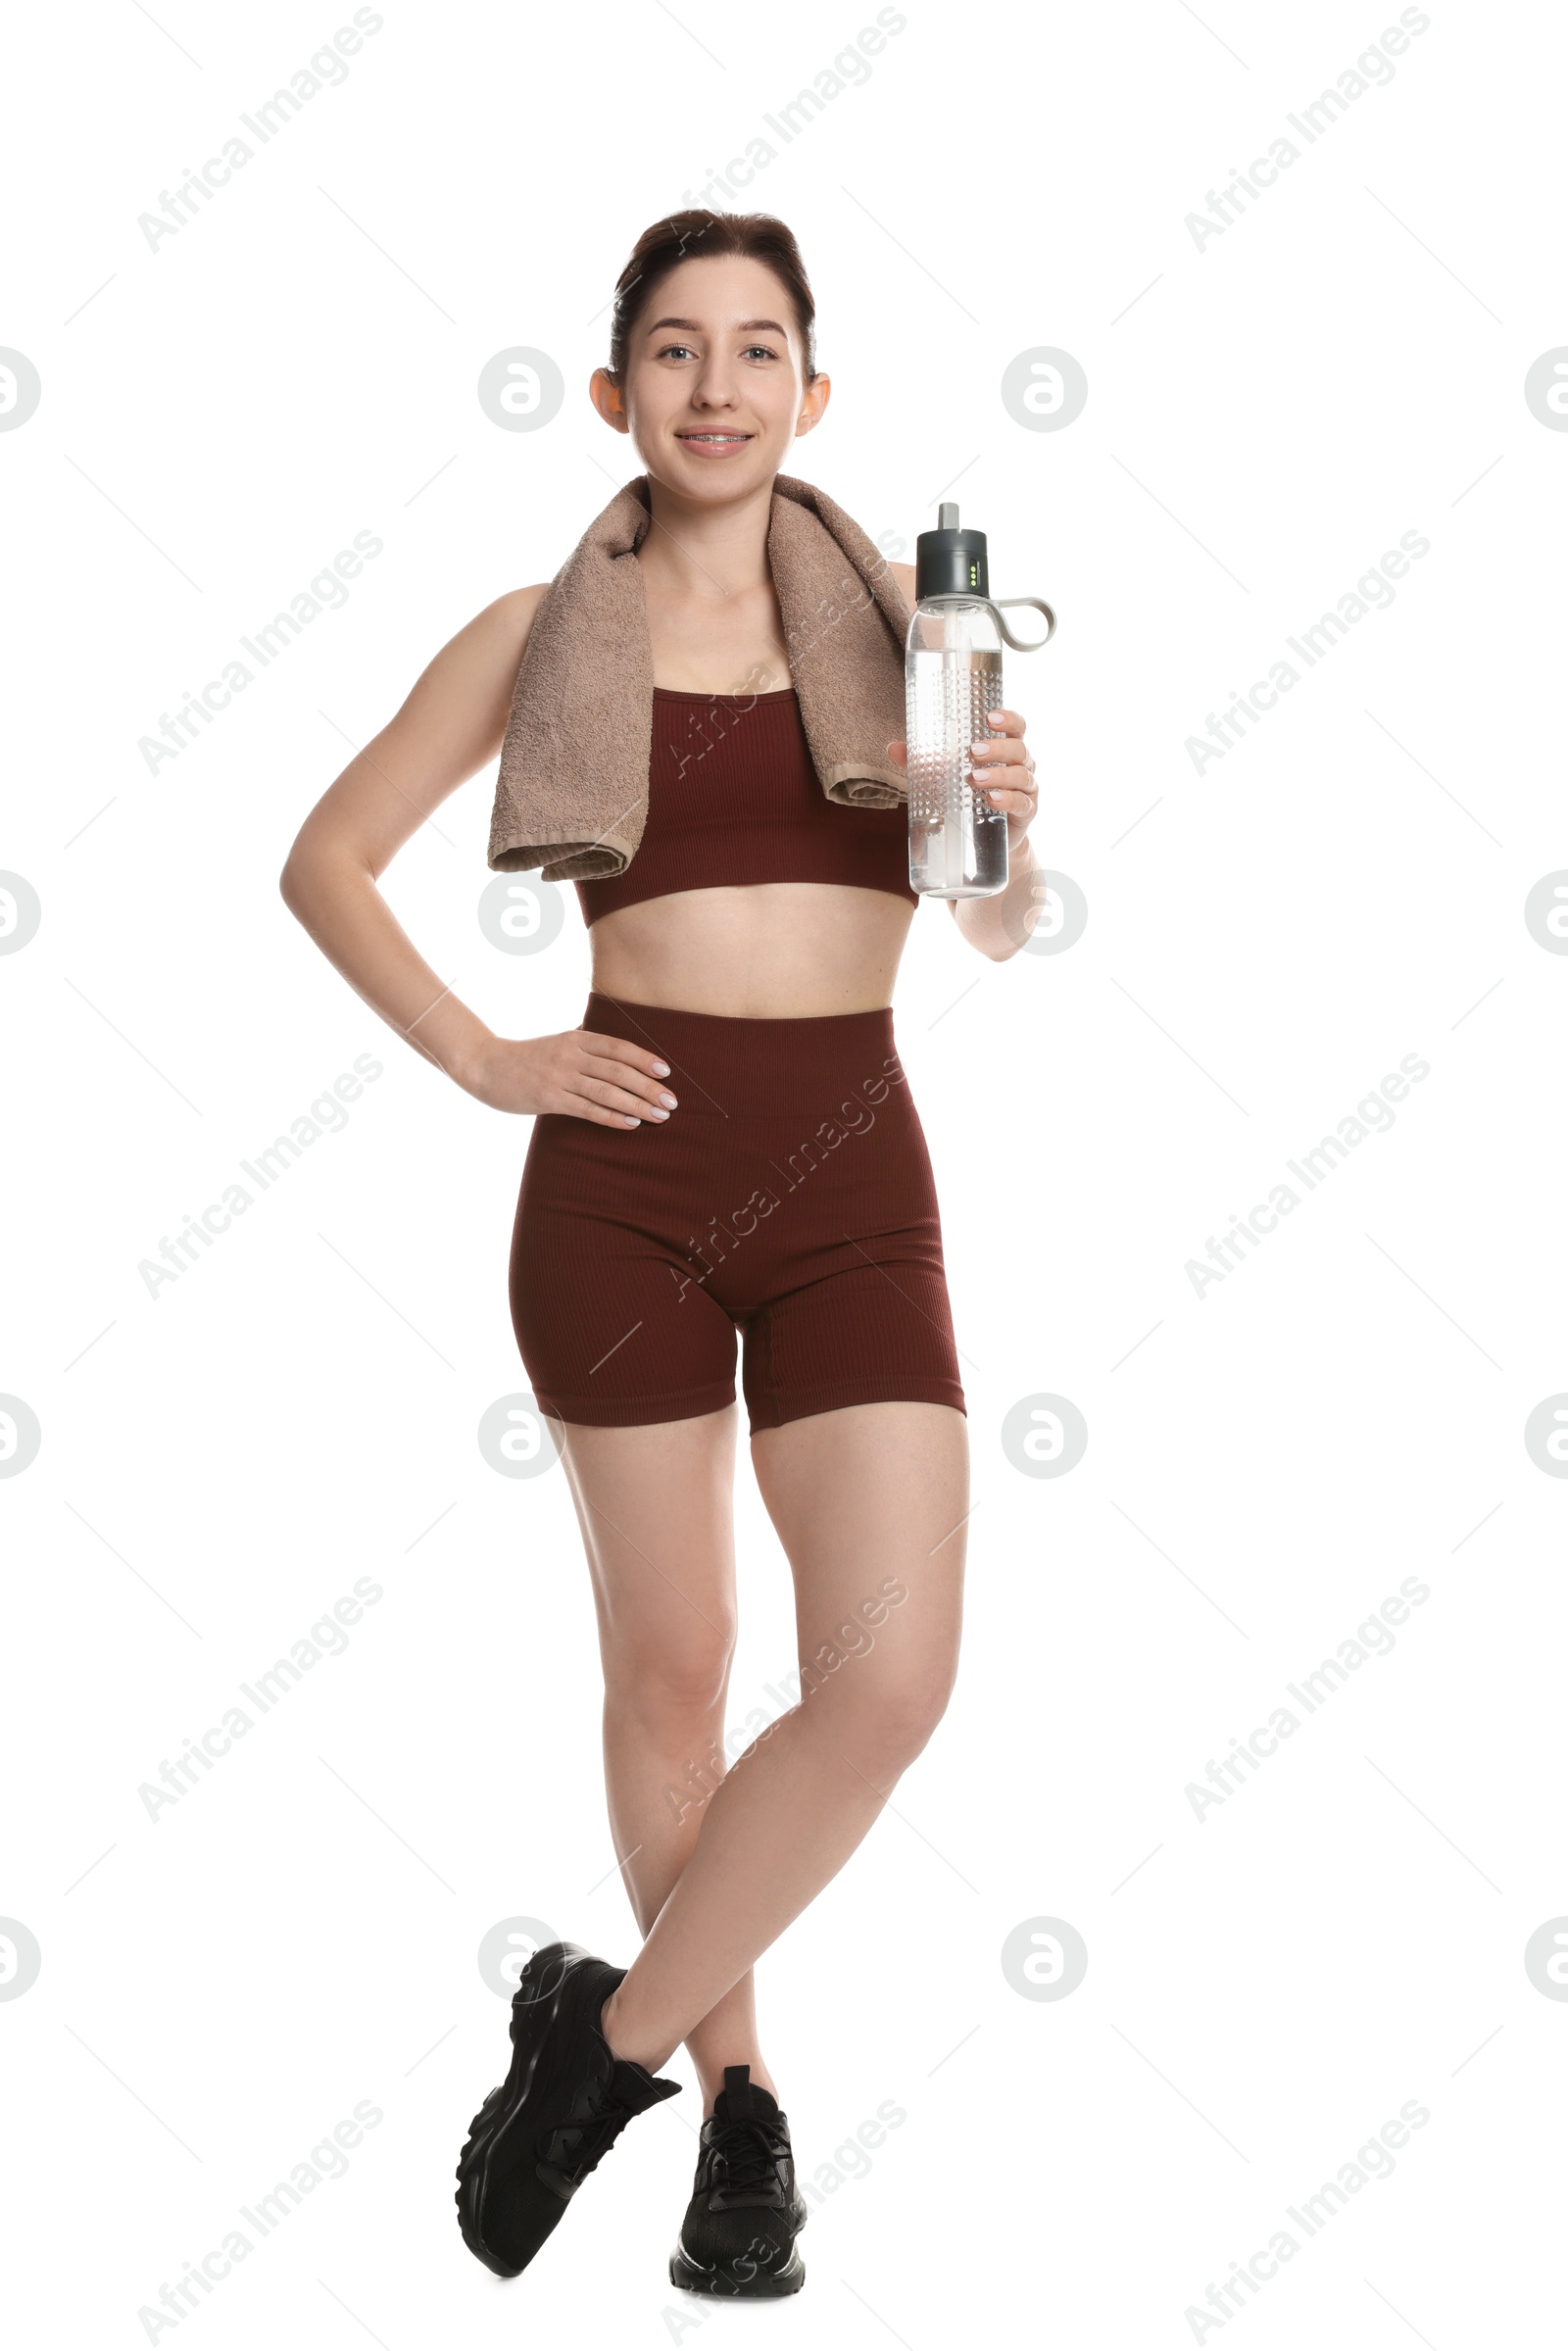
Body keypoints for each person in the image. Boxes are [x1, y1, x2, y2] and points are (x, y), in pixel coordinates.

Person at [279, 208, 1041, 2299]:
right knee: (678, 1670)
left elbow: (992, 923)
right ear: (617, 395)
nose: (720, 387)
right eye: (677, 353)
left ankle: (589, 2047)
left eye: (760, 349)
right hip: (618, 1183)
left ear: (814, 392)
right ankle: (734, 2116)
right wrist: (484, 1056)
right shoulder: (538, 630)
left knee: (883, 1682)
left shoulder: (908, 629)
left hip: (850, 1165)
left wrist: (1008, 824)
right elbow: (323, 859)